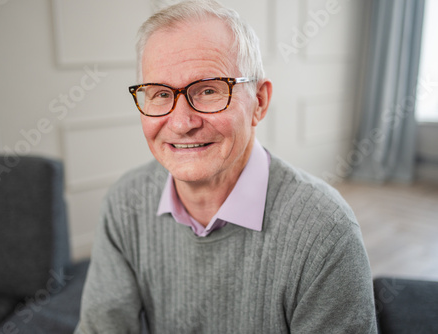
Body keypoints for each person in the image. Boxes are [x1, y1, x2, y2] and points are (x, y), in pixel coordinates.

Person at [75, 0, 377, 333]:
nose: (181, 123)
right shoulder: (124, 202)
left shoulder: (325, 231)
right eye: (160, 94)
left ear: (259, 102)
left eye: (208, 90)